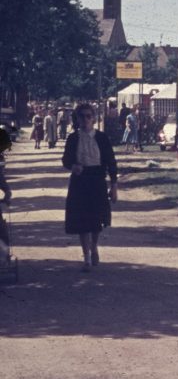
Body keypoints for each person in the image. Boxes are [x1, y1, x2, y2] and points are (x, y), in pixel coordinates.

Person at [61, 103, 118, 272]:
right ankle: (86, 257)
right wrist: (73, 166)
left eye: (88, 116)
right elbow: (65, 160)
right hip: (80, 181)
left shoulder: (101, 138)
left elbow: (111, 162)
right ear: (77, 119)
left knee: (96, 220)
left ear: (93, 118)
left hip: (97, 181)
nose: (85, 119)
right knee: (82, 221)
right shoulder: (73, 138)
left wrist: (114, 185)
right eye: (82, 116)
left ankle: (94, 247)